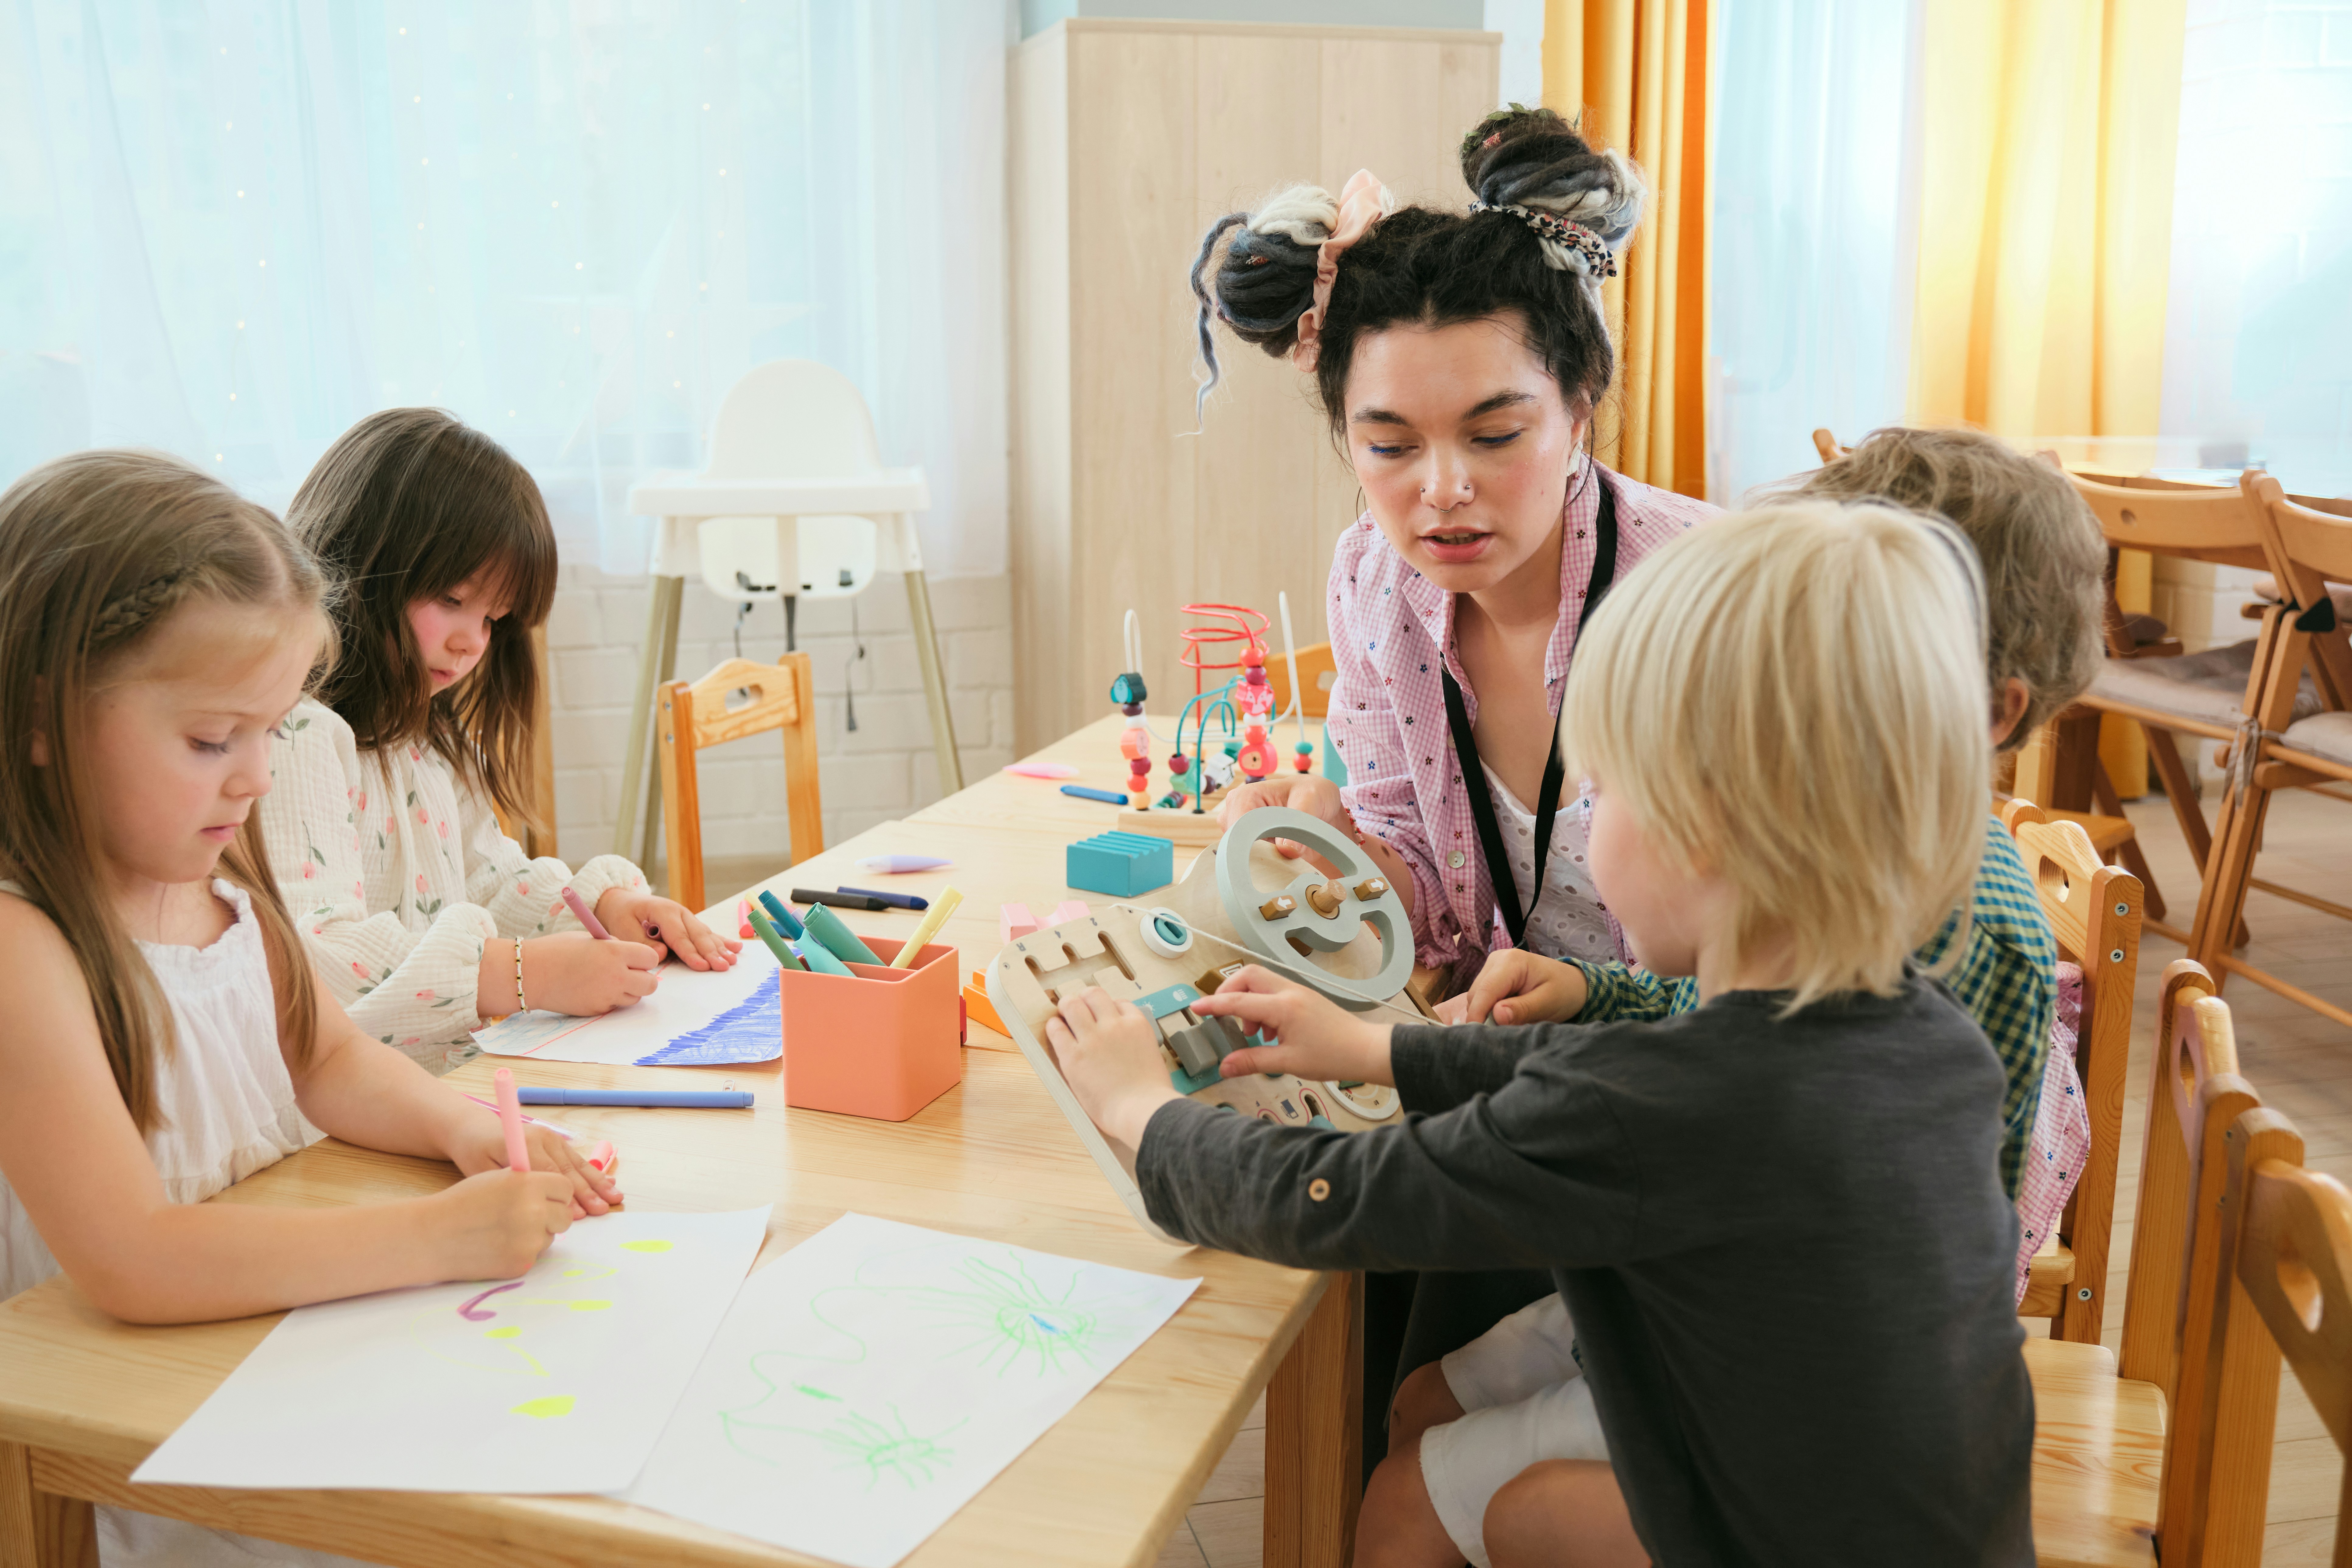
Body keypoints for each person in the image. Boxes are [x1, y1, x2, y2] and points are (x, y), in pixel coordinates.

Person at [1046, 501, 2033, 1568]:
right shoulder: (1918, 1031)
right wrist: (1378, 1051)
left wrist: (1137, 1111)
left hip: (1783, 1522)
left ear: (1696, 831)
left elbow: (1334, 1198)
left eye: (1602, 792)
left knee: (1408, 1501)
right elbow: (1609, 1075)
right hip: (1897, 1477)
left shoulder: (1660, 1106)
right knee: (1426, 1399)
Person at [0, 450, 614, 1566]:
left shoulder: (217, 878)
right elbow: (132, 1261)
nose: (253, 779)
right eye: (209, 740)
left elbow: (326, 1058)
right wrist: (434, 1238)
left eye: (271, 732)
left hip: (266, 1348)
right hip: (129, 1437)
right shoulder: (21, 946)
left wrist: (466, 1134)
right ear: (43, 718)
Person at [1192, 106, 1714, 988]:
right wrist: (1332, 851)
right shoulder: (1373, 581)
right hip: (1519, 1059)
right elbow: (1433, 893)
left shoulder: (1710, 600)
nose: (1441, 491)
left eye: (1497, 435)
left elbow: (1811, 951)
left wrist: (1593, 1009)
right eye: (1390, 448)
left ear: (1580, 403)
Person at [259, 409, 739, 1072]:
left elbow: (490, 878)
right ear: (358, 561)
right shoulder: (293, 736)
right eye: (454, 599)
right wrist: (519, 973)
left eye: (493, 617)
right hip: (331, 1125)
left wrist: (604, 906)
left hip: (433, 1093)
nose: (474, 641)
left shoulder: (421, 734)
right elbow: (315, 959)